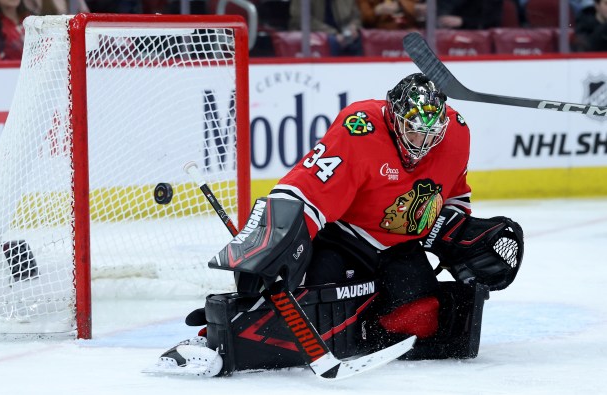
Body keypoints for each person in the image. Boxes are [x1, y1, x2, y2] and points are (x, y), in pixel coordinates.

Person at [150, 73, 524, 377]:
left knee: (424, 320)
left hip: (401, 248)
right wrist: (275, 242)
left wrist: (455, 231)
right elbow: (306, 191)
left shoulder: (457, 133)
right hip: (345, 238)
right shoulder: (359, 130)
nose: (422, 143)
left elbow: (454, 194)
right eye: (413, 132)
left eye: (431, 134)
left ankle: (361, 326)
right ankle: (214, 337)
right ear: (393, 117)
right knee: (301, 302)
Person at [288, 0, 363, 56]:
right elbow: (300, 18)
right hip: (315, 34)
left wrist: (352, 28)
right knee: (332, 42)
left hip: (343, 33)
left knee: (358, 39)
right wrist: (333, 34)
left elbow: (355, 16)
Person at [358, 0, 426, 30]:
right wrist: (376, 11)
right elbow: (364, 18)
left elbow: (418, 8)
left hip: (409, 31)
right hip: (379, 34)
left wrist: (400, 6)